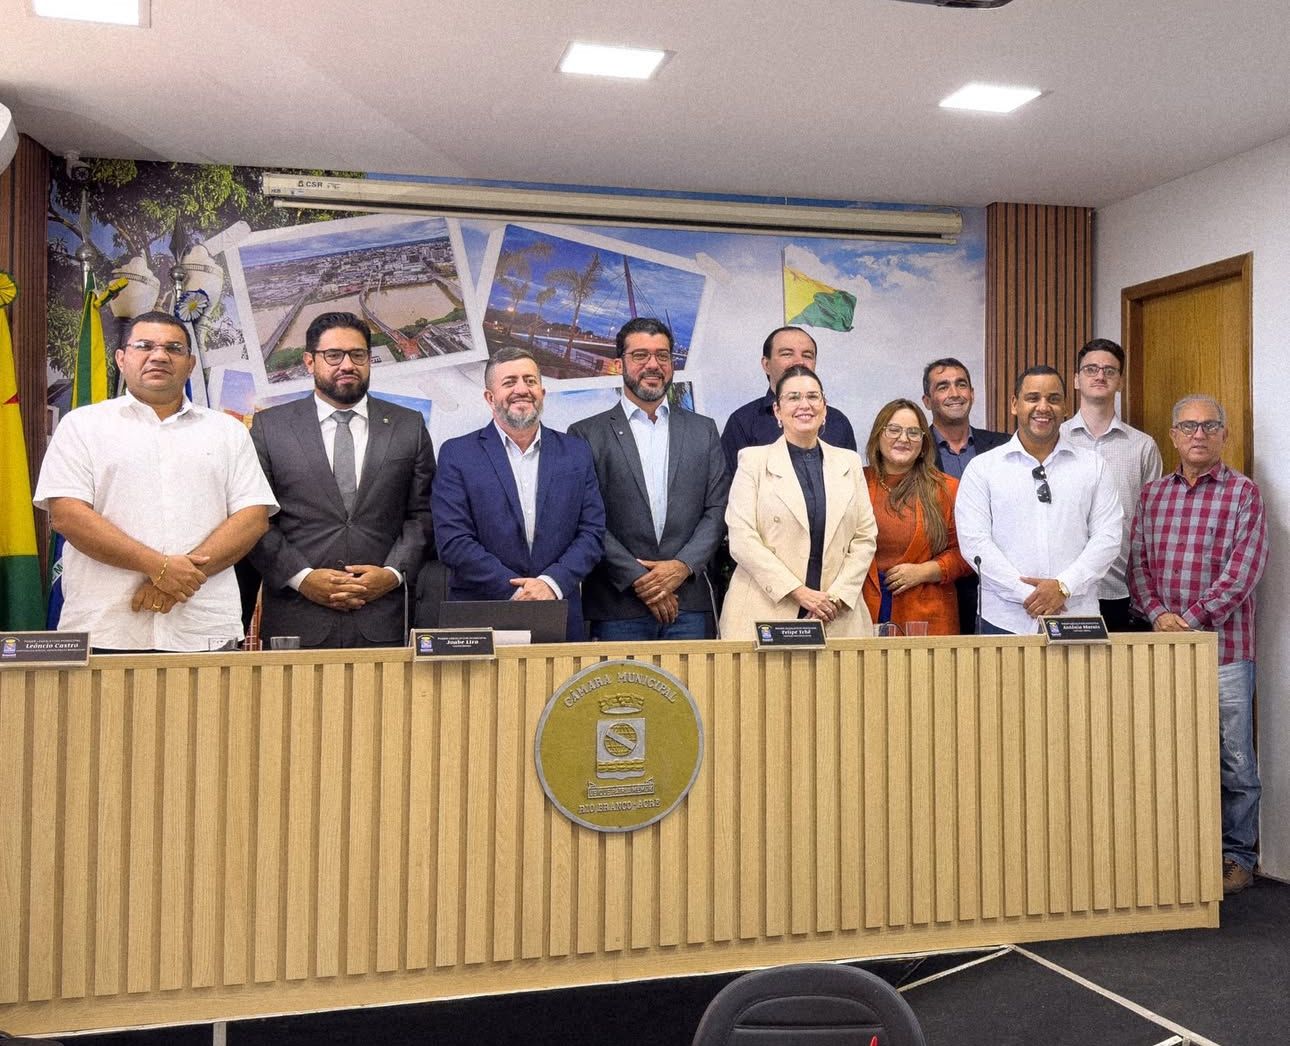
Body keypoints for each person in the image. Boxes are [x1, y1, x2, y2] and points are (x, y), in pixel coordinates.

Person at [33, 310, 276, 651]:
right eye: (145, 346)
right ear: (121, 359)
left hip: (202, 626)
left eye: (173, 348)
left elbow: (252, 519)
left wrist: (174, 580)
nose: (159, 356)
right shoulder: (82, 426)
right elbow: (68, 516)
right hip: (105, 626)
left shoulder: (227, 431)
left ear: (190, 364)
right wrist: (158, 567)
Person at [1128, 394, 1267, 894]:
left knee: (1235, 762)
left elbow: (1243, 572)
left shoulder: (1244, 494)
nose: (1199, 435)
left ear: (1224, 434)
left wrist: (1187, 620)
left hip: (1225, 652)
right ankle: (1176, 853)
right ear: (1173, 436)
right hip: (1162, 650)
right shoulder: (1152, 496)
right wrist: (1158, 614)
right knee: (1166, 753)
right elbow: (1137, 564)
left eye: (1209, 426)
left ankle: (1237, 856)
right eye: (1188, 427)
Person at [247, 312, 435, 647]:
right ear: (309, 361)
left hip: (384, 618)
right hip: (297, 618)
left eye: (357, 354)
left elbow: (423, 515)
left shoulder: (409, 426)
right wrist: (302, 578)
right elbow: (254, 520)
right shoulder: (269, 428)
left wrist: (392, 574)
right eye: (333, 355)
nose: (347, 365)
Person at [568, 318, 729, 640]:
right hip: (618, 605)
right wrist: (639, 578)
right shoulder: (586, 434)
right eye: (640, 355)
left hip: (688, 603)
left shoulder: (704, 430)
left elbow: (717, 509)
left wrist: (682, 566)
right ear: (619, 364)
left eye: (662, 355)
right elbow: (585, 518)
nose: (653, 364)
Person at [432, 347, 605, 641]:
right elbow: (453, 540)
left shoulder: (576, 453)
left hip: (558, 611)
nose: (522, 389)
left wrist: (550, 584)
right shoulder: (457, 454)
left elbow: (592, 533)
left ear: (542, 393)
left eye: (530, 380)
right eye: (509, 382)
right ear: (490, 397)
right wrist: (517, 590)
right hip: (482, 613)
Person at [955, 365, 1121, 635]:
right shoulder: (983, 468)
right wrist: (1029, 595)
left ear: (1066, 407)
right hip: (1004, 620)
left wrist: (1063, 587)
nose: (1043, 407)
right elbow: (975, 543)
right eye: (1033, 398)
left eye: (1053, 399)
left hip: (1076, 616)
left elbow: (1108, 538)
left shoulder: (1093, 466)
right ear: (1014, 404)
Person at [719, 365, 876, 638]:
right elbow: (742, 539)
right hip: (767, 610)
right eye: (793, 397)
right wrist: (799, 592)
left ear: (824, 408)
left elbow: (865, 537)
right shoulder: (753, 461)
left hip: (835, 613)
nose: (805, 405)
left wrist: (835, 598)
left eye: (813, 397)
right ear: (777, 411)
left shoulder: (849, 462)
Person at [1059, 338, 1162, 630]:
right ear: (1076, 379)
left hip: (1122, 589)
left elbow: (1150, 523)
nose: (1100, 376)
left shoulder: (1142, 446)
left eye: (1110, 370)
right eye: (1091, 369)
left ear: (1120, 382)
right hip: (1063, 588)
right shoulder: (1055, 440)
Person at [862, 399, 970, 635]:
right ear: (878, 437)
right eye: (893, 430)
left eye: (913, 432)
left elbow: (968, 553)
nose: (903, 439)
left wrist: (925, 571)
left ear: (923, 444)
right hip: (864, 613)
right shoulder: (856, 483)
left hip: (926, 617)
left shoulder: (947, 489)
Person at [921, 357, 1008, 634]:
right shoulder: (914, 451)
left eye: (961, 385)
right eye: (943, 386)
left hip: (998, 586)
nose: (954, 393)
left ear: (972, 393)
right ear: (927, 400)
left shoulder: (1004, 447)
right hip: (938, 586)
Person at [720, 326, 858, 476]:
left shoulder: (838, 422)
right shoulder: (742, 422)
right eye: (787, 354)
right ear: (766, 364)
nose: (799, 362)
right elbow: (731, 486)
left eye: (807, 355)